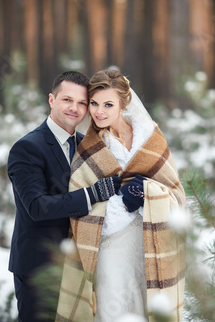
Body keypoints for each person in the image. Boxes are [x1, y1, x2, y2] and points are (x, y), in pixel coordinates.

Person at [56, 69, 186, 321]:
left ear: (123, 104)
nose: (98, 112)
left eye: (107, 104)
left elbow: (176, 193)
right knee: (112, 306)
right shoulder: (89, 148)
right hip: (108, 247)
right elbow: (81, 204)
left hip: (147, 244)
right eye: (93, 103)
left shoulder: (150, 138)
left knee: (144, 306)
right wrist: (122, 204)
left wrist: (146, 194)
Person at [7, 70, 122, 322]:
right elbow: (37, 207)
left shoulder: (87, 146)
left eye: (82, 103)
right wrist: (92, 195)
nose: (75, 108)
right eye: (67, 100)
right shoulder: (27, 148)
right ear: (51, 100)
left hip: (81, 268)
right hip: (40, 269)